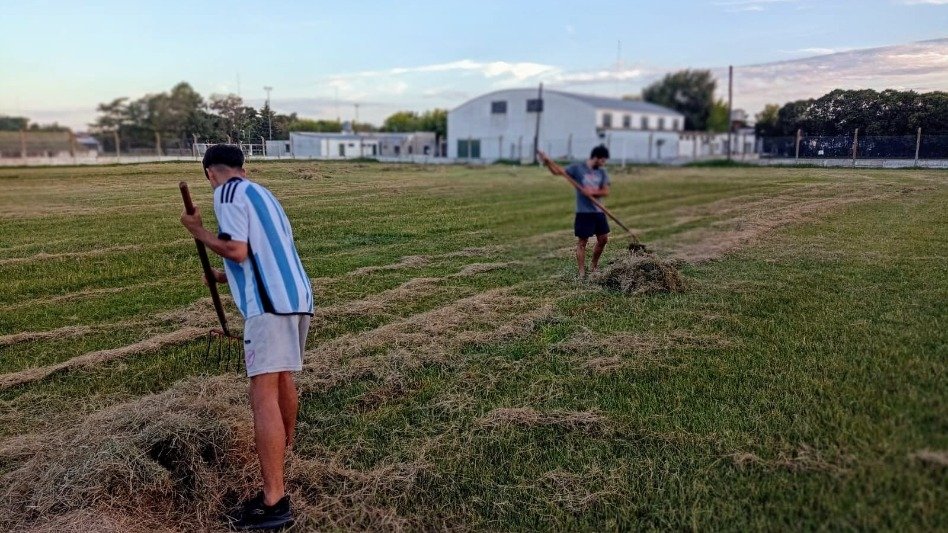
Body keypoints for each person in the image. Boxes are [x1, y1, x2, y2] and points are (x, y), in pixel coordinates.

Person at [180, 144, 313, 531]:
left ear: (210, 173)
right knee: (283, 377)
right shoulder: (262, 193)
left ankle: (274, 502)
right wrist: (222, 278)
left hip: (269, 308)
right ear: (245, 166)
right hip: (297, 298)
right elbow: (264, 253)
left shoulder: (227, 192)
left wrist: (198, 231)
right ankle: (282, 456)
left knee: (262, 396)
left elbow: (237, 250)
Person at [541, 145, 611, 278]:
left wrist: (592, 191)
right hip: (584, 213)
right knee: (582, 242)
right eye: (603, 160)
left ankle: (594, 266)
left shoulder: (602, 172)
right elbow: (558, 172)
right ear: (596, 157)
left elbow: (606, 191)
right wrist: (547, 162)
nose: (603, 164)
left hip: (598, 211)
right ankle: (581, 273)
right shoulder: (578, 168)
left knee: (603, 239)